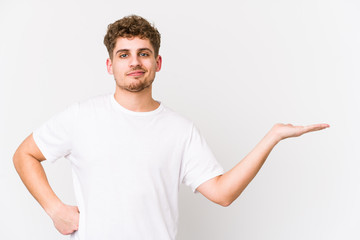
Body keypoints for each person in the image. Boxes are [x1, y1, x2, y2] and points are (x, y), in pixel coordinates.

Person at [13, 15, 329, 240]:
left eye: (143, 54)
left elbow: (222, 193)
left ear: (157, 63)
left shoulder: (180, 130)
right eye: (124, 55)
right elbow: (24, 154)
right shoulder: (82, 116)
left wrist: (271, 137)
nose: (134, 62)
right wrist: (55, 209)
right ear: (111, 65)